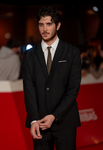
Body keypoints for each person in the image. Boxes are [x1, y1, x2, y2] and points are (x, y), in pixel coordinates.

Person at [22, 6, 81, 150]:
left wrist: (54, 116)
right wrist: (34, 120)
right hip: (39, 122)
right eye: (41, 24)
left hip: (65, 120)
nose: (44, 29)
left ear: (58, 25)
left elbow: (72, 89)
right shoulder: (29, 56)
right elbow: (29, 90)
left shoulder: (72, 52)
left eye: (49, 24)